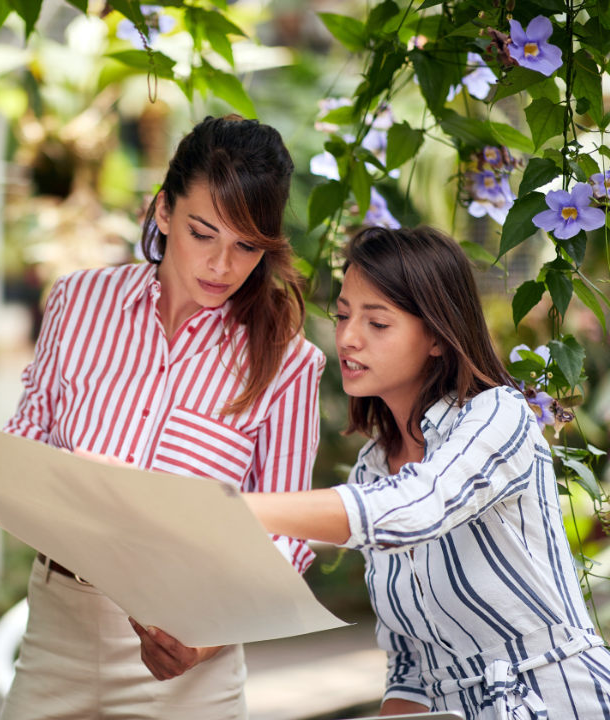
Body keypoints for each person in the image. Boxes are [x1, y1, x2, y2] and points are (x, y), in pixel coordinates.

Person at [0, 115, 325, 720]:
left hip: (189, 654)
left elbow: (287, 533)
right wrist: (73, 475)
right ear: (164, 211)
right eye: (204, 233)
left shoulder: (286, 359)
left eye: (247, 246)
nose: (223, 266)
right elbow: (23, 441)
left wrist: (205, 636)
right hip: (55, 634)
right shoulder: (77, 304)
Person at [240, 225, 610, 718]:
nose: (347, 338)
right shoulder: (371, 471)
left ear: (436, 335)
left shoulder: (500, 416)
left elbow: (418, 507)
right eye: (344, 315)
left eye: (378, 323)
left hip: (558, 698)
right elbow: (411, 668)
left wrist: (232, 507)